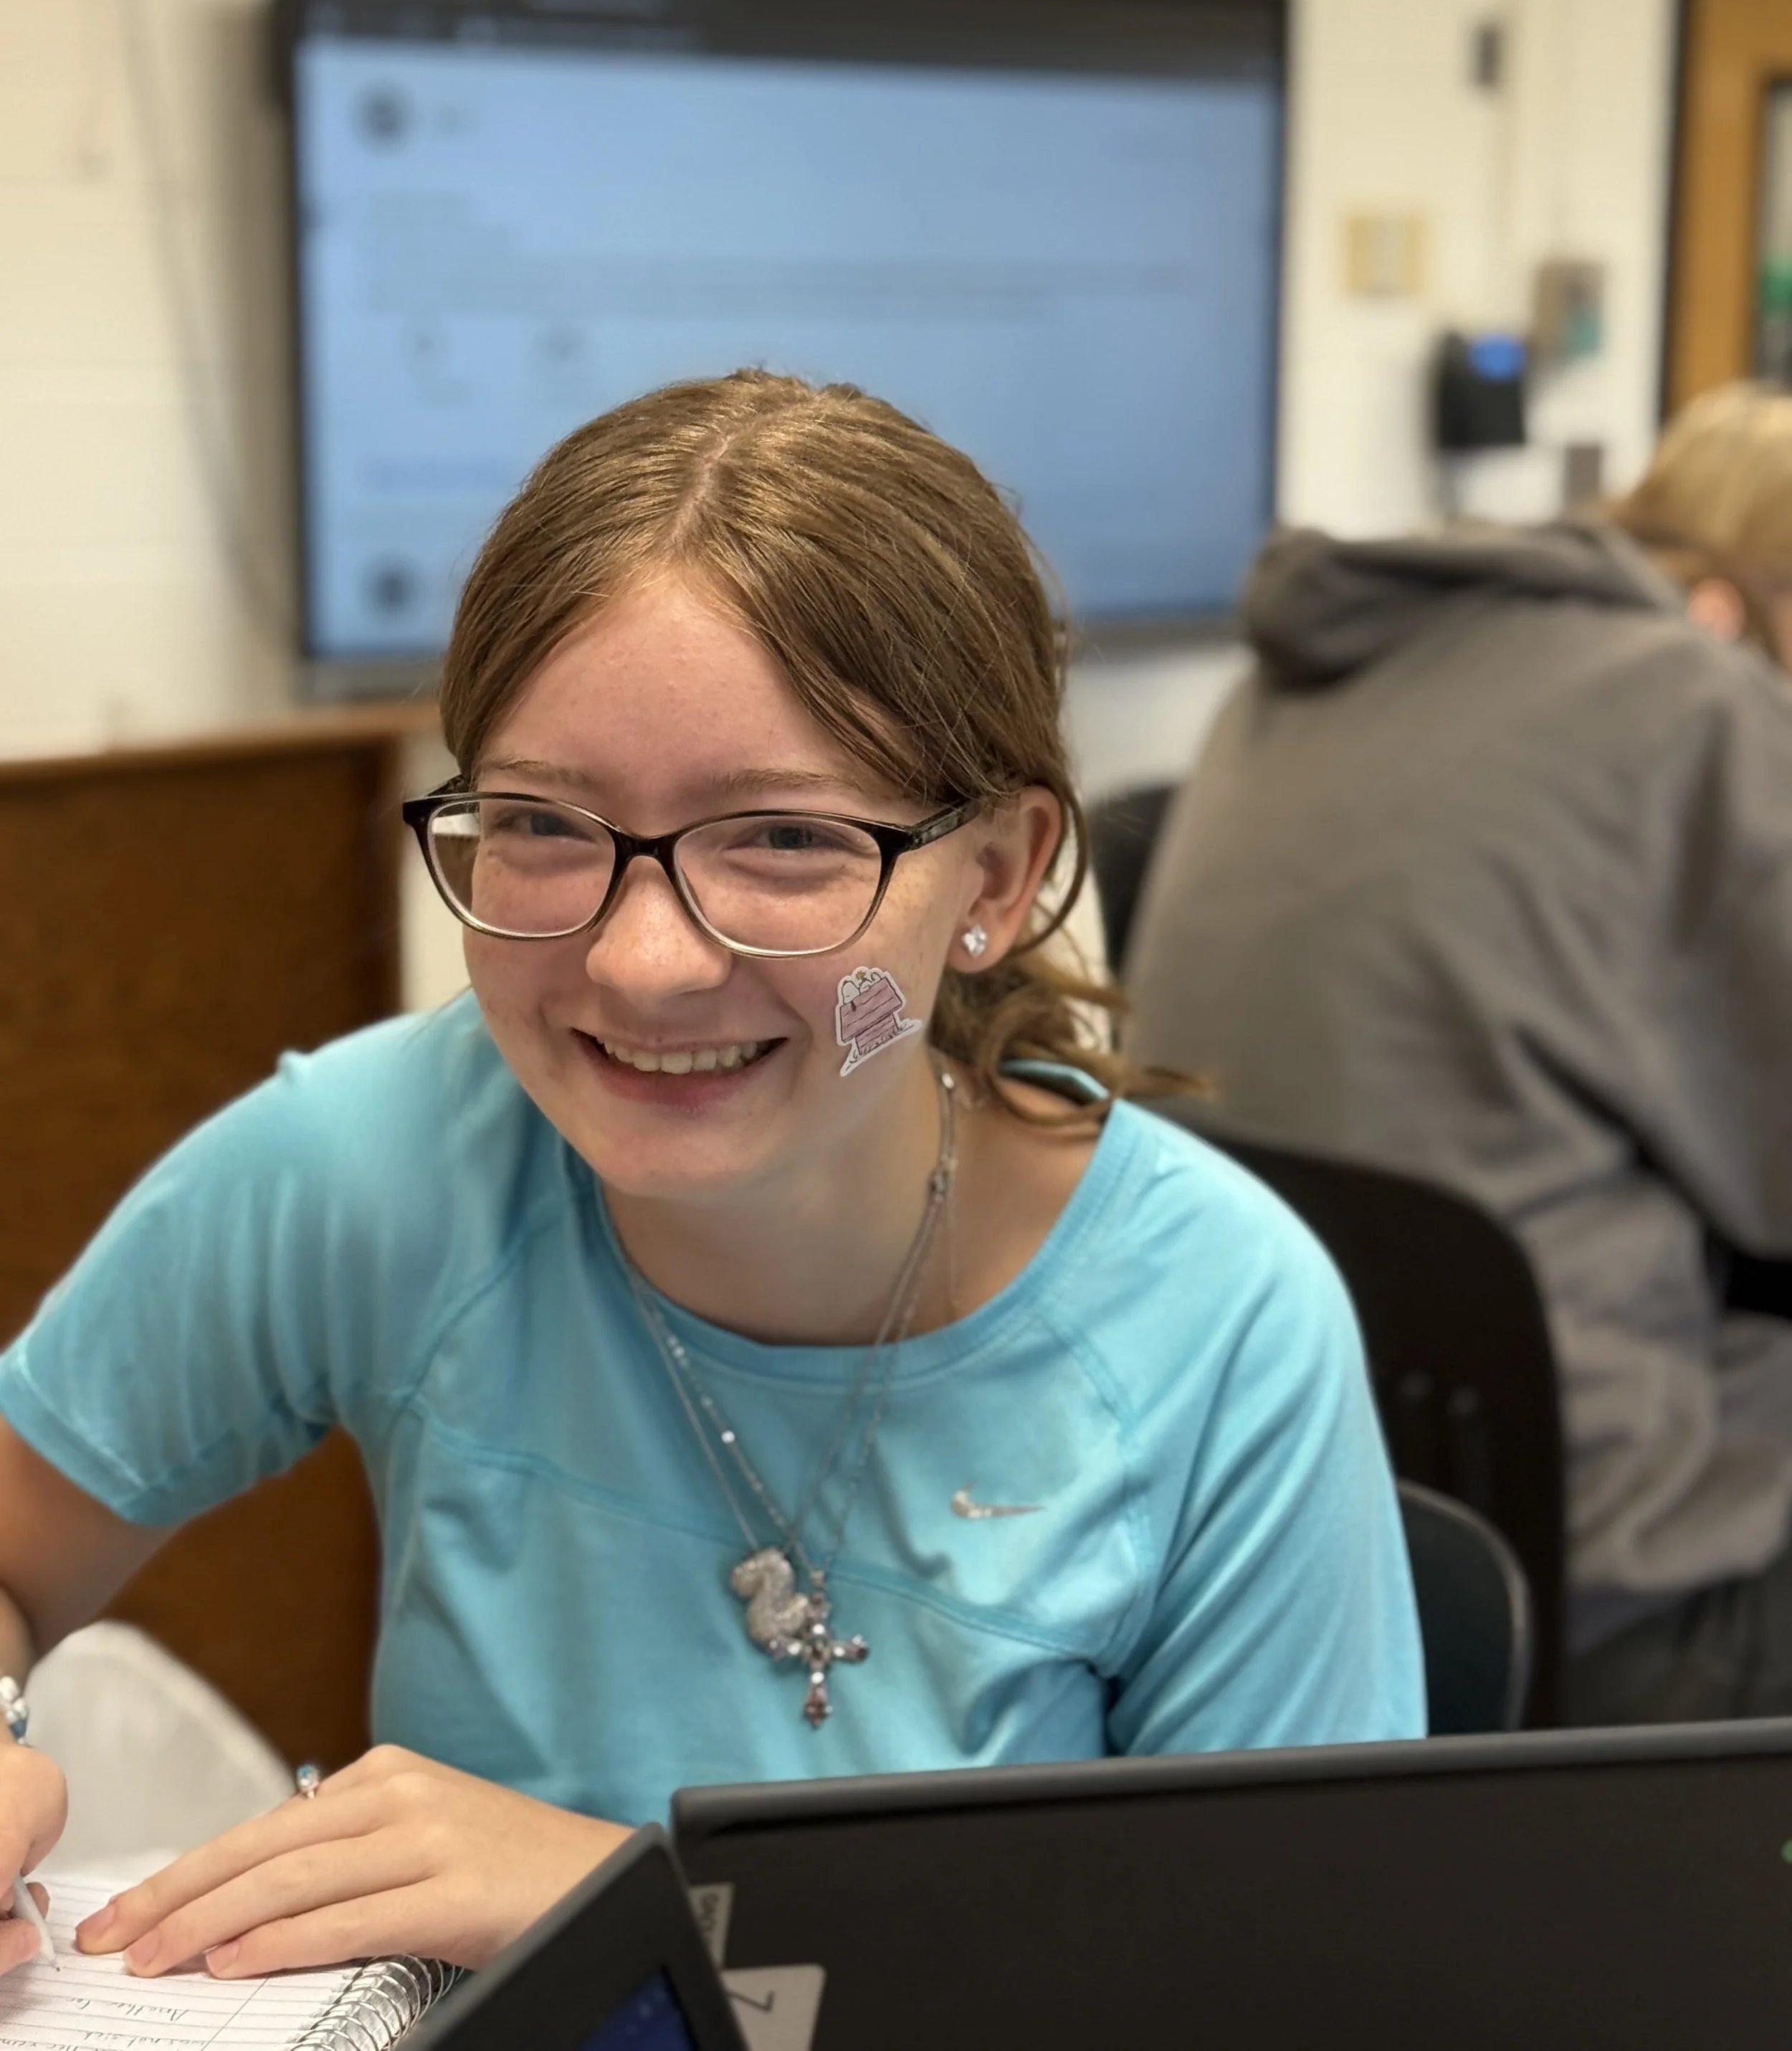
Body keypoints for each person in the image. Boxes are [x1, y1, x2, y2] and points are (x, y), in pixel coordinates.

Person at [0, 373, 1421, 1983]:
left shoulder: (1215, 1323)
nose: (642, 958)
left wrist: (638, 1912)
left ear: (999, 876)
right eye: (541, 824)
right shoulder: (374, 1162)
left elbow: (1287, 1985)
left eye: (783, 843)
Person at [1125, 379, 1792, 1725]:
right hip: (1611, 1576)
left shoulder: (1316, 665)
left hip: (1281, 1495)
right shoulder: (1695, 702)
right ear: (1738, 603)